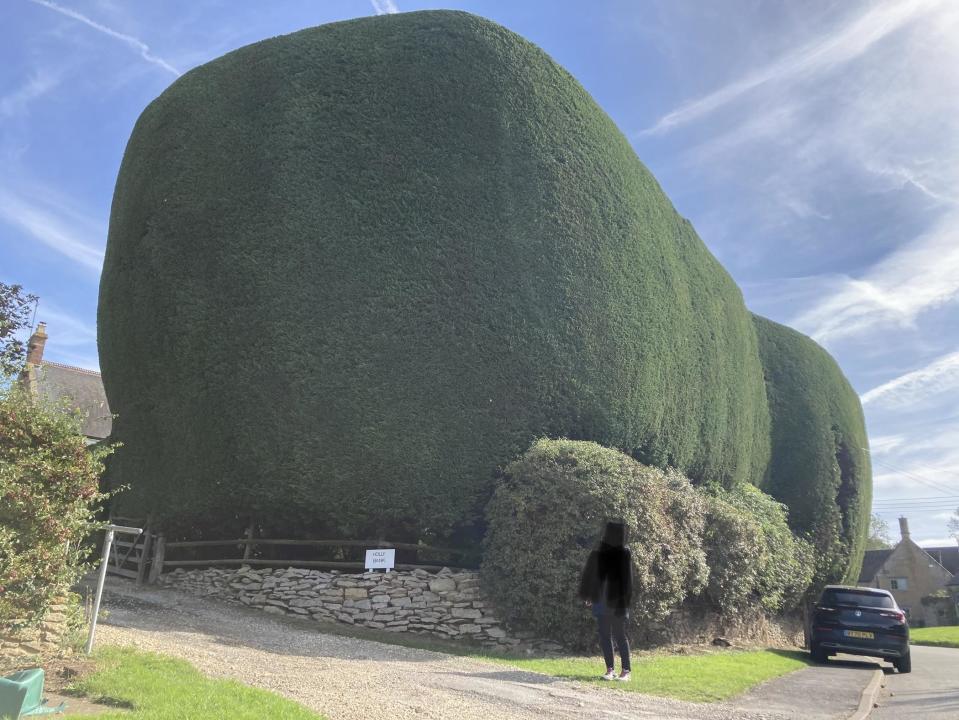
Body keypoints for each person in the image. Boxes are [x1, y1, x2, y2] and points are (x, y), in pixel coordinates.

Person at [578, 520, 632, 681]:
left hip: (617, 600)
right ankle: (610, 669)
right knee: (604, 635)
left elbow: (627, 578)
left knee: (620, 635)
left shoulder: (625, 551)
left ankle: (626, 671)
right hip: (601, 599)